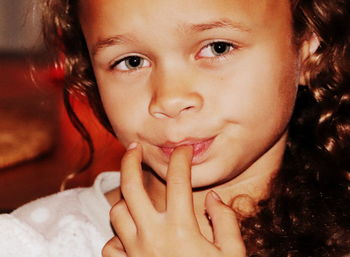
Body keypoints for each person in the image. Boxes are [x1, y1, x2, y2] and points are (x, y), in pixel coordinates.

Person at [2, 0, 349, 256]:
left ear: (306, 50)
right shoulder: (31, 243)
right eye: (131, 61)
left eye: (217, 47)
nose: (168, 99)